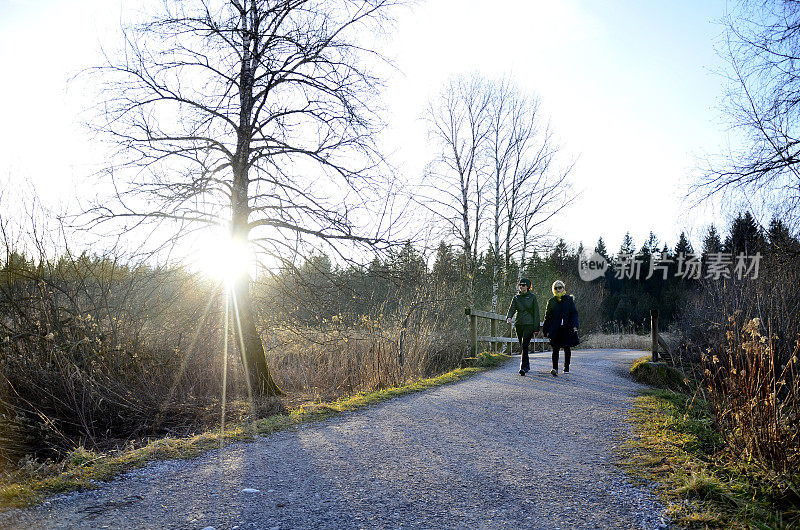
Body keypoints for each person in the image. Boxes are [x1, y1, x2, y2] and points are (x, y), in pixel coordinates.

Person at [542, 280, 579, 377]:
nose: (558, 290)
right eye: (556, 288)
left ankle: (566, 367)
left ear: (563, 288)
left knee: (567, 347)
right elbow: (547, 317)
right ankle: (555, 368)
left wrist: (575, 325)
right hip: (555, 328)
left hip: (567, 327)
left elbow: (574, 313)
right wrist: (545, 330)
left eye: (560, 287)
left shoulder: (569, 300)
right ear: (553, 290)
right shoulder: (551, 301)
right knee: (555, 348)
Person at [506, 278, 540, 376]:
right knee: (522, 345)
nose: (521, 287)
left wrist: (536, 328)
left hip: (529, 324)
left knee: (525, 344)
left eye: (524, 285)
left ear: (528, 286)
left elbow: (536, 313)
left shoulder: (533, 297)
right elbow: (512, 308)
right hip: (519, 323)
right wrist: (509, 317)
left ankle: (523, 367)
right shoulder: (516, 298)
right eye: (520, 285)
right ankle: (527, 365)